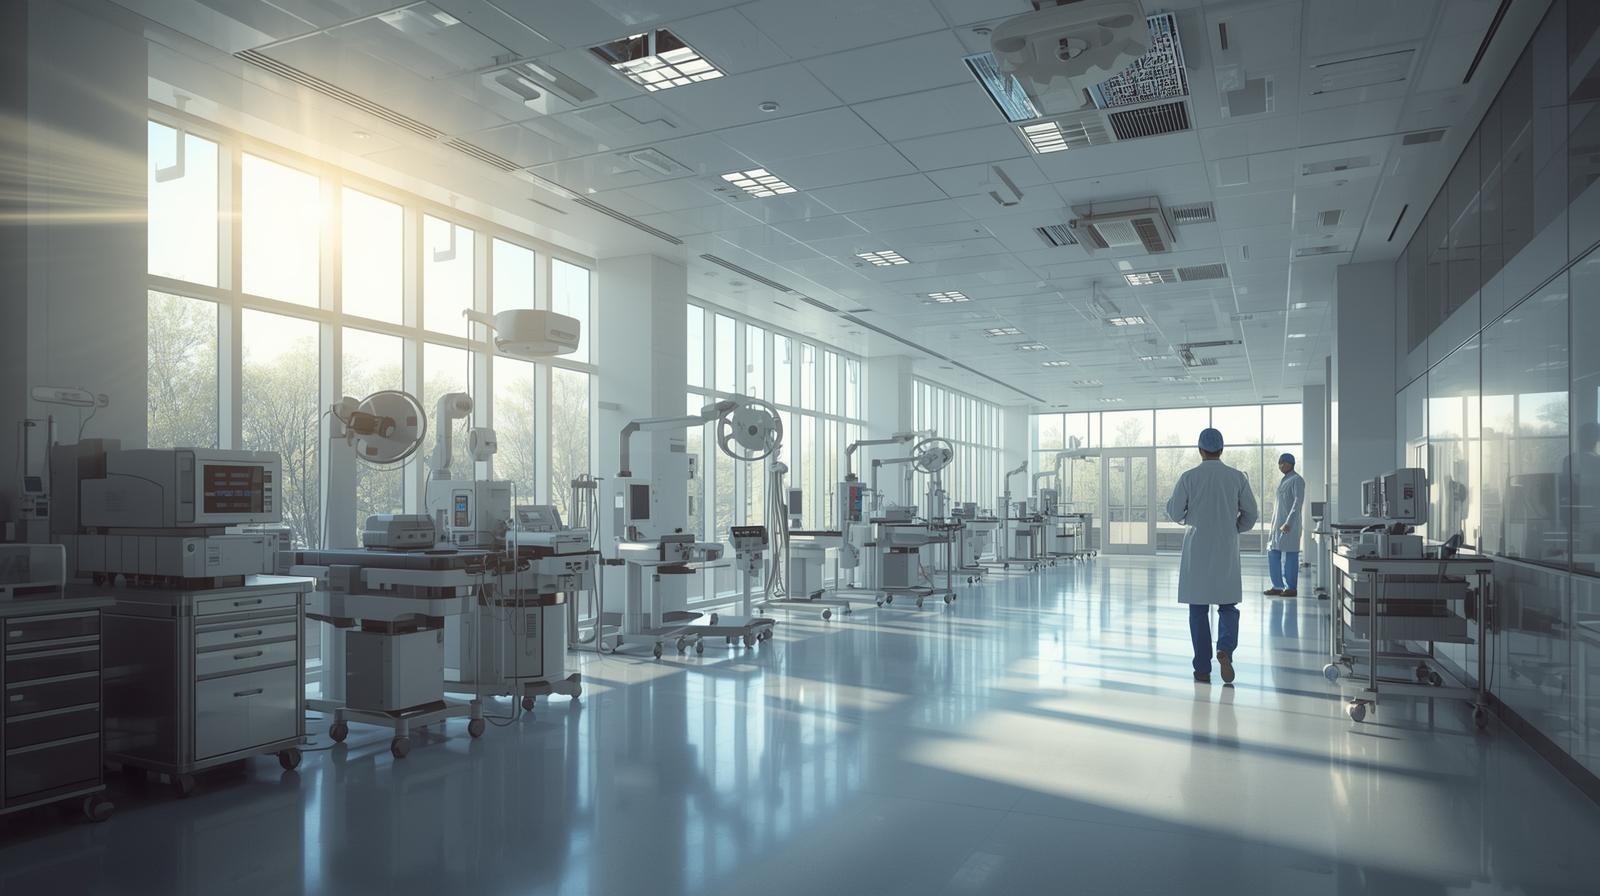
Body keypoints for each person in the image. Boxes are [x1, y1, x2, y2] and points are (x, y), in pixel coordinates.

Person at [1166, 427, 1259, 683]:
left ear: (1200, 450)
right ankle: (1225, 649)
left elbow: (1175, 513)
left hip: (1197, 548)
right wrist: (1234, 528)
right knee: (1227, 605)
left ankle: (1202, 669)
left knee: (1198, 610)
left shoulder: (1189, 477)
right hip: (1225, 546)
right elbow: (1252, 514)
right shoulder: (1237, 477)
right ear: (1221, 449)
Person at [1264, 453, 1305, 597]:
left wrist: (1288, 522)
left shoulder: (1297, 480)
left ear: (1291, 464)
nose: (1281, 465)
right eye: (1279, 463)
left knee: (1291, 556)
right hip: (1277, 525)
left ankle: (1291, 588)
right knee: (1273, 552)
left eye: (1283, 463)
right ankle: (1277, 585)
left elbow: (1297, 503)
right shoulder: (1283, 481)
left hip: (1289, 526)